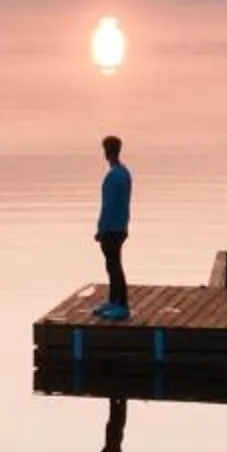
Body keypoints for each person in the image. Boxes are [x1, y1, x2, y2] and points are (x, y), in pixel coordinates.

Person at [95, 134, 132, 319]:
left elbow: (107, 206)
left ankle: (122, 304)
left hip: (112, 229)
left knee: (113, 265)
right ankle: (114, 300)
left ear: (106, 153)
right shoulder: (124, 173)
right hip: (122, 226)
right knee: (113, 264)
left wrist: (101, 230)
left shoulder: (113, 177)